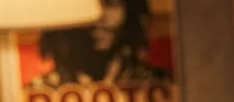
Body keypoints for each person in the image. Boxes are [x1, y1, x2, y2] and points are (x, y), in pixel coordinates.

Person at [34, 0, 168, 87]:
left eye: (111, 4)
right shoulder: (41, 90)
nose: (100, 17)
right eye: (85, 5)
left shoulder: (158, 84)